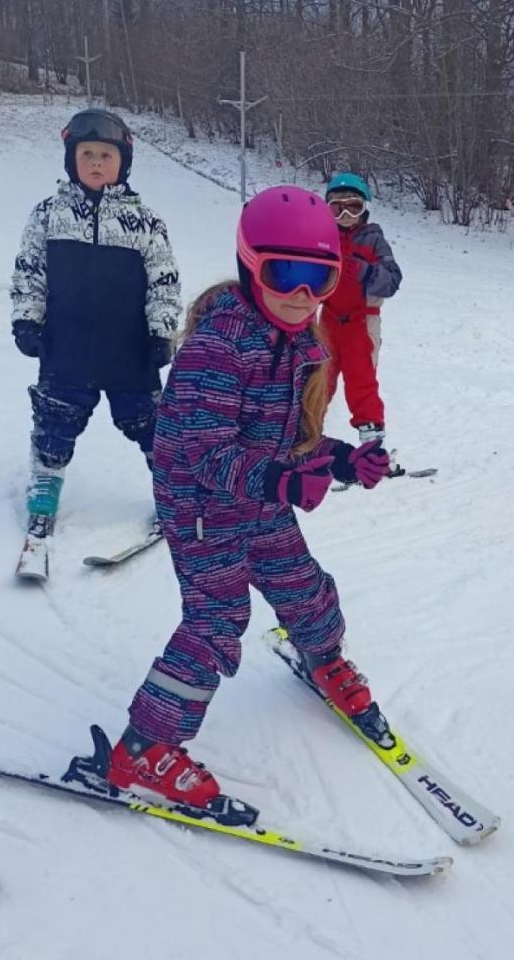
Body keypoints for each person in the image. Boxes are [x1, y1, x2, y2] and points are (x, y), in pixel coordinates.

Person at [107, 186, 392, 810]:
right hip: (203, 510)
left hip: (260, 501)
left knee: (304, 585)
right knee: (218, 620)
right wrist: (279, 482)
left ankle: (324, 658)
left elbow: (287, 438)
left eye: (320, 279)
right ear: (248, 265)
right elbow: (198, 449)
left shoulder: (303, 345)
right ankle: (143, 750)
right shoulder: (220, 346)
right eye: (284, 273)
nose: (301, 294)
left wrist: (341, 457)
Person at [10, 108, 181, 539]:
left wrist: (161, 332)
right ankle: (45, 489)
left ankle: (172, 494)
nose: (96, 163)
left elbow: (164, 280)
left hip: (130, 349)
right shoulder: (48, 215)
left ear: (122, 161)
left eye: (106, 155)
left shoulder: (145, 221)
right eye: (86, 154)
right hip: (66, 346)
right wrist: (27, 321)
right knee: (55, 421)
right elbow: (30, 270)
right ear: (72, 159)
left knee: (153, 428)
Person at [318, 172, 402, 452]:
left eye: (353, 207)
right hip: (327, 320)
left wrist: (367, 272)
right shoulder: (323, 238)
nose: (345, 214)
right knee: (316, 378)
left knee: (361, 382)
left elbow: (393, 280)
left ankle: (372, 446)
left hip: (361, 322)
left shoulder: (374, 239)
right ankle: (304, 438)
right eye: (336, 207)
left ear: (364, 209)